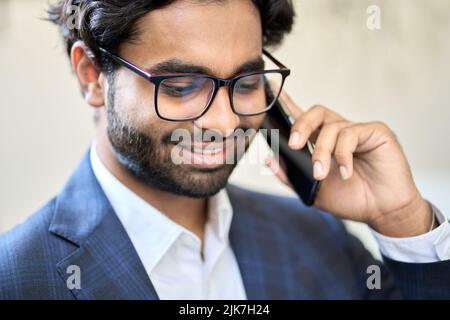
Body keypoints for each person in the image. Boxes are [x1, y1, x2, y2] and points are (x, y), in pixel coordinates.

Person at [0, 0, 449, 299]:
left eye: (247, 82)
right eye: (179, 86)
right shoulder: (17, 279)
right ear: (92, 76)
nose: (224, 122)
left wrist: (401, 222)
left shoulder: (320, 240)